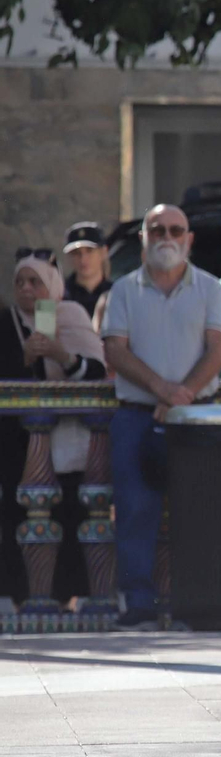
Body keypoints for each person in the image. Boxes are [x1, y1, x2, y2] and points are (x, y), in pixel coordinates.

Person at [101, 205, 221, 631]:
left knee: (202, 512)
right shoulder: (122, 290)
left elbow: (219, 349)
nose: (166, 237)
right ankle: (138, 604)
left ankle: (201, 603)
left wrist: (181, 397)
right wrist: (166, 392)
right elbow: (115, 351)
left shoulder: (210, 288)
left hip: (196, 418)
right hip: (137, 417)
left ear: (189, 239)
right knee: (135, 510)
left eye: (175, 230)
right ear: (143, 238)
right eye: (157, 230)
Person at [1, 251, 107, 607]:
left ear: (52, 286)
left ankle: (71, 595)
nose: (26, 289)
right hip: (15, 445)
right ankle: (21, 596)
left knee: (70, 514)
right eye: (20, 282)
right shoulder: (6, 322)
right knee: (15, 517)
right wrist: (25, 359)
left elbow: (96, 371)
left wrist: (62, 355)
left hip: (68, 441)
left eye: (35, 282)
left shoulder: (70, 315)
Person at [61, 224, 113, 323]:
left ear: (103, 252)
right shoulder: (59, 294)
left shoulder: (116, 292)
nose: (83, 258)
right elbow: (44, 329)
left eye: (89, 251)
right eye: (76, 253)